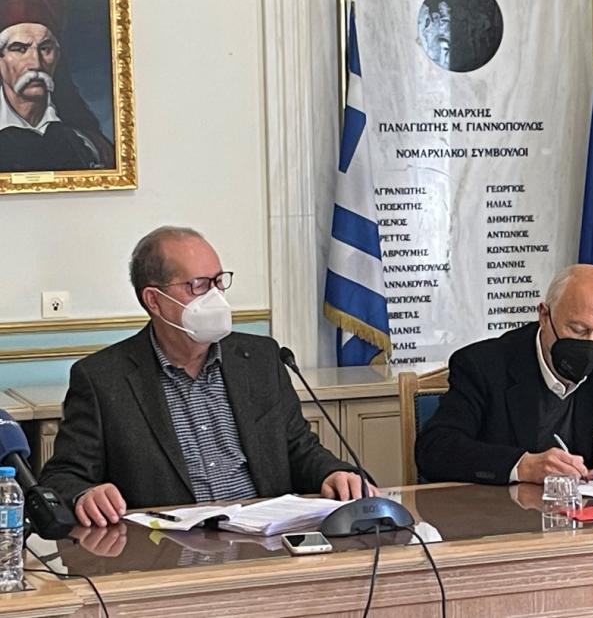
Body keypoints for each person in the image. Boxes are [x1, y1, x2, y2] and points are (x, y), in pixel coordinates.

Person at [40, 226, 370, 528]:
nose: (215, 297)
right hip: (166, 550)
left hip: (266, 539)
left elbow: (299, 449)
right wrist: (85, 494)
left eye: (218, 281)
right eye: (198, 285)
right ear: (154, 300)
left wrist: (333, 473)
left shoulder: (261, 359)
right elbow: (62, 477)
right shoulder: (102, 379)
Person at [415, 264, 593, 485]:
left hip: (588, 515)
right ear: (544, 315)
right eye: (578, 330)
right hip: (506, 516)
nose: (589, 345)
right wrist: (523, 466)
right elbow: (435, 448)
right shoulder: (484, 365)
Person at [0, 0, 115, 172]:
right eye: (19, 49)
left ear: (57, 57)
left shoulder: (94, 149)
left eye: (45, 48)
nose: (36, 63)